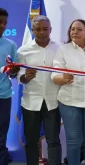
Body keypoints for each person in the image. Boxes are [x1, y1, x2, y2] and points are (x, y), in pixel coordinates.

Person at [52, 19, 85, 164]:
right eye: (72, 29)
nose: (75, 32)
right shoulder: (63, 49)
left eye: (79, 29)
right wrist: (63, 78)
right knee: (74, 141)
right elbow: (54, 75)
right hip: (69, 101)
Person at [16, 15, 62, 165]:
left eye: (45, 29)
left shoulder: (60, 48)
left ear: (51, 30)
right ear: (33, 30)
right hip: (30, 102)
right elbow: (19, 76)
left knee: (53, 141)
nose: (42, 32)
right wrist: (25, 77)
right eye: (38, 29)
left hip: (53, 101)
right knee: (31, 141)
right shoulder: (23, 51)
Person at [0, 8, 20, 165]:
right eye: (0, 22)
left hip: (4, 96)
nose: (2, 26)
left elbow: (14, 74)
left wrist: (13, 71)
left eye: (5, 23)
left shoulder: (10, 45)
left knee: (1, 136)